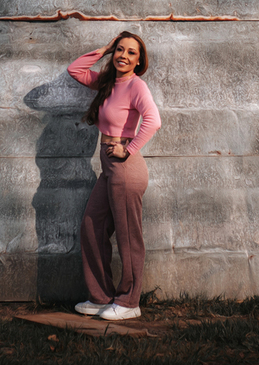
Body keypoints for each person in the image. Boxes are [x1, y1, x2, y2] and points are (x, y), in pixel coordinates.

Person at [66, 31, 161, 321]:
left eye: (131, 53)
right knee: (91, 227)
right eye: (120, 50)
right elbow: (75, 70)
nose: (124, 56)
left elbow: (154, 120)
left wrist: (128, 149)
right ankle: (102, 297)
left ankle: (130, 301)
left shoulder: (136, 86)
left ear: (139, 60)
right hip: (108, 168)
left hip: (125, 169)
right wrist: (104, 48)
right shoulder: (108, 83)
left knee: (128, 236)